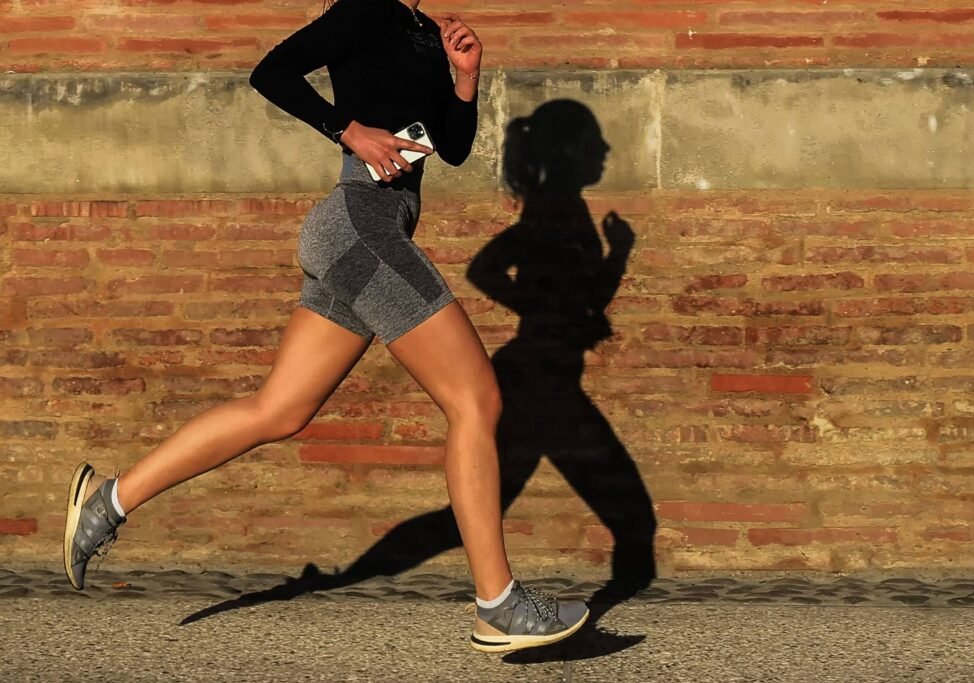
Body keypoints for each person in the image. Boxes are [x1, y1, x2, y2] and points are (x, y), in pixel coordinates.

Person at [62, 0, 589, 654]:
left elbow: (448, 147)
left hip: (367, 230)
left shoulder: (425, 32)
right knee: (476, 399)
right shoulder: (366, 10)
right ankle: (498, 604)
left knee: (278, 409)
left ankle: (106, 503)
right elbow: (272, 72)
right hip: (360, 226)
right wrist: (348, 130)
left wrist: (464, 77)